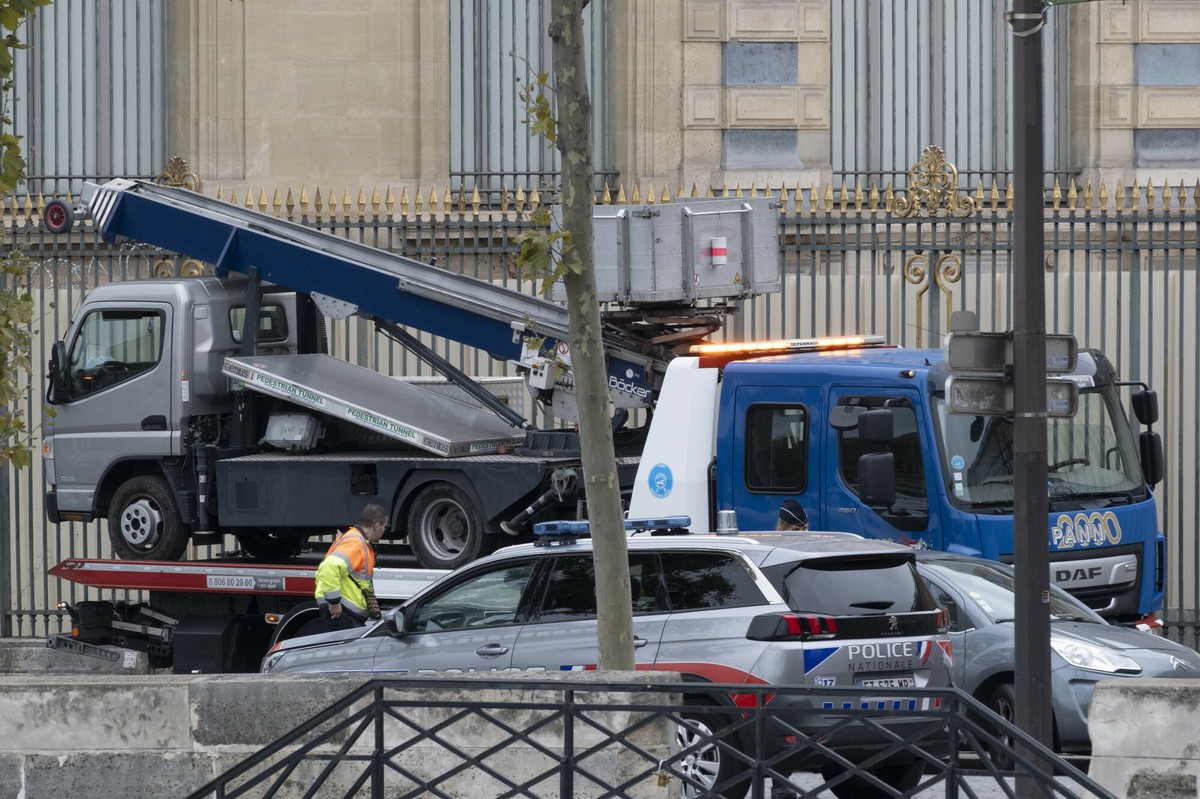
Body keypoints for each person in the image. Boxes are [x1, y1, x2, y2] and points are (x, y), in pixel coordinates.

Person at [315, 503, 389, 631]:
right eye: (384, 527)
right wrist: (334, 602)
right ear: (377, 526)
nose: (384, 531)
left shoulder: (357, 540)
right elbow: (329, 567)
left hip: (345, 612)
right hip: (342, 611)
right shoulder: (355, 543)